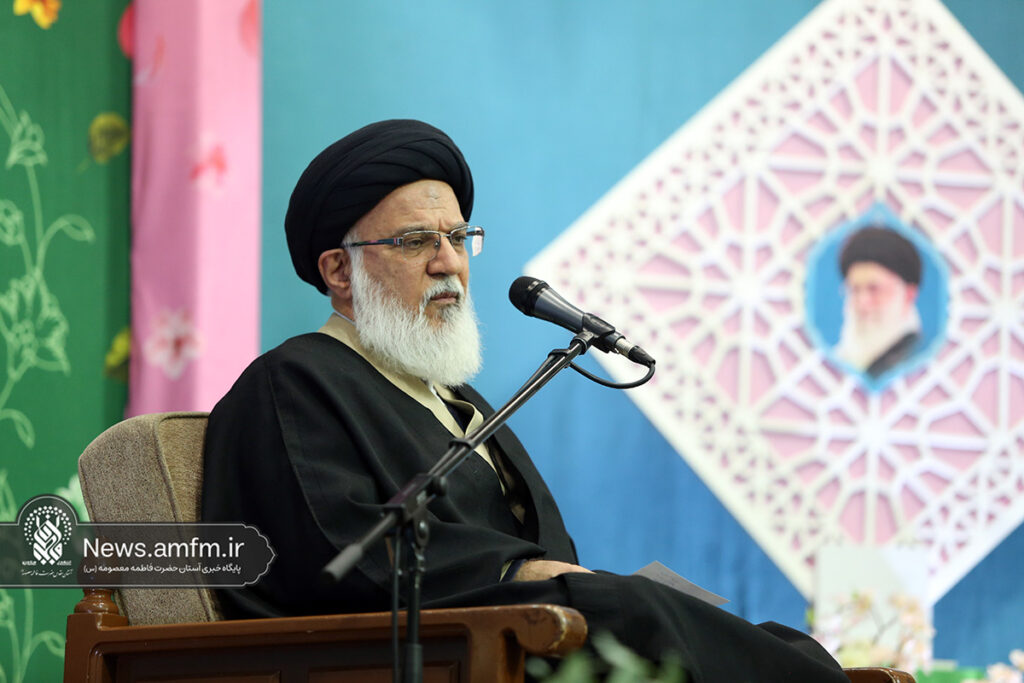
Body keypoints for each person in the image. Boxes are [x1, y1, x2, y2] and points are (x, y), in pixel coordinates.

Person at [202, 119, 847, 682]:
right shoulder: (293, 382)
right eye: (415, 241)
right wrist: (526, 576)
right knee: (644, 613)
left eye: (458, 238)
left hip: (514, 638)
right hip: (412, 654)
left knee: (775, 641)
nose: (448, 263)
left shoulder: (458, 399)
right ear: (339, 271)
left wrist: (562, 582)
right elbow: (333, 555)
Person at [833, 226, 923, 377]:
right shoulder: (839, 360)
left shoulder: (919, 361)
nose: (862, 303)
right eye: (855, 290)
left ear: (909, 295)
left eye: (874, 289)